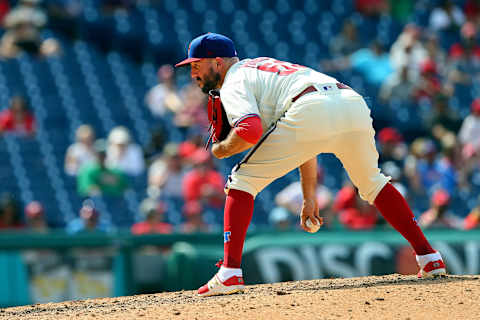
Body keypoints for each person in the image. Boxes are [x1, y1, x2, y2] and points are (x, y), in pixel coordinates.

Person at [175, 33, 446, 297]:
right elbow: (306, 136)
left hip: (310, 107)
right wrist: (309, 196)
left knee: (242, 181)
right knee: (372, 182)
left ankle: (230, 271)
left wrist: (222, 148)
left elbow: (249, 129)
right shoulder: (261, 67)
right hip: (350, 102)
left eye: (197, 65)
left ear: (219, 62)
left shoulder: (234, 79)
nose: (193, 73)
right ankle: (428, 257)